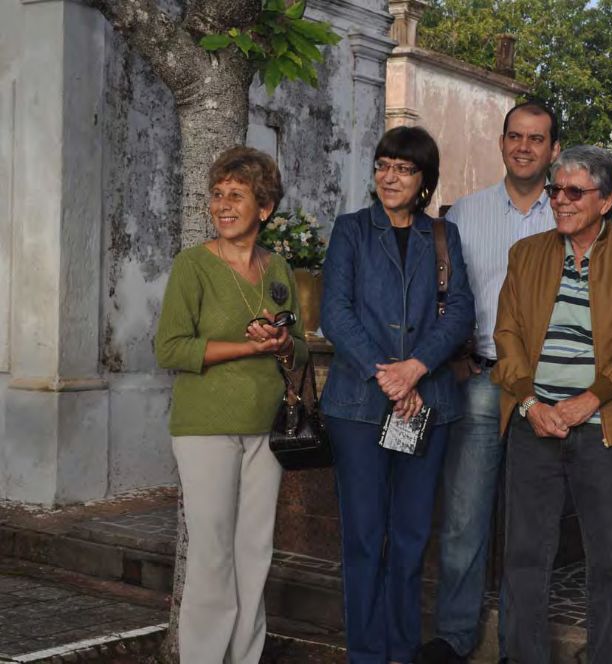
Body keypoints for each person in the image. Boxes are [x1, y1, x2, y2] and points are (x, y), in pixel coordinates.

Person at [492, 145, 612, 663]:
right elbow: (508, 333)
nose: (560, 201)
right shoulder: (527, 254)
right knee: (523, 558)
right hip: (533, 425)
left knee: (607, 563)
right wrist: (530, 401)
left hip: (603, 430)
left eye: (574, 192)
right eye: (554, 190)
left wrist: (591, 399)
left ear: (606, 200)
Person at [320, 126, 475, 664]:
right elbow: (334, 313)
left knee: (410, 539)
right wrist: (387, 375)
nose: (390, 176)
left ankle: (402, 651)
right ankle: (365, 654)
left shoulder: (442, 237)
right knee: (364, 538)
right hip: (359, 407)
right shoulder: (351, 231)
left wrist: (415, 369)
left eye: (404, 168)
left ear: (424, 181)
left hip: (426, 405)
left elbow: (459, 312)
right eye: (384, 164)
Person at [417, 101, 561, 664]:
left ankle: (521, 647)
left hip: (544, 390)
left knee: (529, 526)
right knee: (463, 518)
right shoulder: (462, 216)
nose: (524, 147)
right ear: (502, 144)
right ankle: (456, 636)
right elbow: (443, 297)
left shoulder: (568, 214)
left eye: (537, 139)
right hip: (479, 382)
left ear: (552, 149)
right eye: (515, 137)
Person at [155, 146, 307, 664]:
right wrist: (248, 346)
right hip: (205, 429)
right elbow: (170, 348)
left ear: (263, 208)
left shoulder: (279, 266)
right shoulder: (193, 265)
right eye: (217, 194)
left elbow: (301, 346)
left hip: (266, 430)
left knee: (254, 555)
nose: (222, 205)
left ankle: (245, 658)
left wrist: (283, 344)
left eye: (235, 195)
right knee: (212, 557)